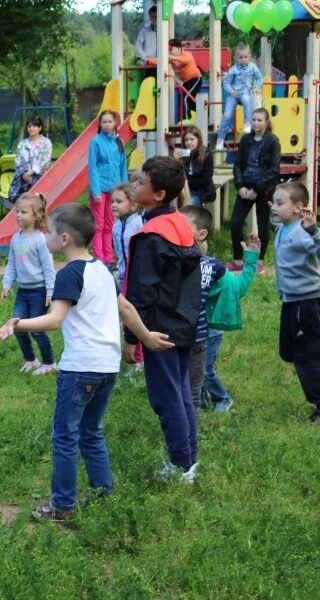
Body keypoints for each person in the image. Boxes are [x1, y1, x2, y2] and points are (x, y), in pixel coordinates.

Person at [0, 204, 174, 521]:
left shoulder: (68, 274)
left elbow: (54, 320)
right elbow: (127, 310)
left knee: (65, 436)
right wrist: (145, 338)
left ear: (64, 239)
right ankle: (104, 496)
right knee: (92, 431)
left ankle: (62, 506)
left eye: (49, 232)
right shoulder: (102, 268)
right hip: (107, 367)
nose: (46, 236)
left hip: (80, 368)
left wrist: (17, 323)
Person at [124, 156, 203, 482]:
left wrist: (132, 338)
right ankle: (190, 458)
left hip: (159, 330)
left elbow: (142, 292)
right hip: (185, 324)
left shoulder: (151, 236)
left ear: (158, 194)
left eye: (140, 182)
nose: (133, 184)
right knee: (181, 390)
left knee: (166, 395)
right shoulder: (181, 224)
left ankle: (181, 465)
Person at [271, 181, 320, 422]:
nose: (274, 207)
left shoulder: (302, 232)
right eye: (274, 202)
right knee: (288, 351)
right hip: (291, 301)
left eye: (280, 203)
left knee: (306, 355)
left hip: (307, 303)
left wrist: (314, 231)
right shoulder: (284, 228)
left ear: (298, 207)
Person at [203, 230, 261, 412]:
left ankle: (223, 398)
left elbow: (240, 286)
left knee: (205, 369)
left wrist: (251, 257)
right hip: (190, 330)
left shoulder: (216, 272)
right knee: (192, 368)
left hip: (211, 331)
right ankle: (200, 399)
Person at [2, 192, 56, 375]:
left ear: (36, 215)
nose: (18, 215)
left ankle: (49, 362)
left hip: (39, 292)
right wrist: (7, 284)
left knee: (38, 330)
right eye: (17, 211)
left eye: (23, 212)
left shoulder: (40, 240)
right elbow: (11, 264)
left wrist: (50, 292)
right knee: (17, 327)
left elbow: (49, 268)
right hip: (22, 292)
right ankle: (31, 360)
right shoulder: (16, 238)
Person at [178, 205, 226, 411]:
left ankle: (222, 399)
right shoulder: (171, 259)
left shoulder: (213, 266)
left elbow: (232, 290)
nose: (175, 228)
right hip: (178, 335)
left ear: (201, 234)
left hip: (202, 333)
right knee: (186, 382)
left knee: (200, 377)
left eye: (182, 224)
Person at [229, 108, 281, 272]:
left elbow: (274, 169)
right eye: (254, 120)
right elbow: (238, 165)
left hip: (263, 189)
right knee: (235, 223)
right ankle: (238, 260)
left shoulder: (272, 141)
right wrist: (240, 186)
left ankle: (259, 261)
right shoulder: (246, 139)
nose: (256, 123)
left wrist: (257, 189)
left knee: (262, 224)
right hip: (245, 187)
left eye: (259, 120)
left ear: (266, 122)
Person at [88, 110, 128, 264]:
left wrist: (124, 190)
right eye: (103, 122)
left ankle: (109, 258)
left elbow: (123, 167)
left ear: (115, 123)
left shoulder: (119, 142)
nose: (106, 125)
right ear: (100, 124)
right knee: (98, 225)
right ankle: (99, 258)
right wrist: (96, 191)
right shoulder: (95, 142)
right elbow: (92, 167)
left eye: (109, 122)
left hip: (115, 190)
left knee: (110, 225)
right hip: (100, 190)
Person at [216, 44, 263, 149]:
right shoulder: (233, 69)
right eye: (240, 57)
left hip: (246, 92)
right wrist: (231, 91)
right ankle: (220, 139)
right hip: (234, 94)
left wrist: (257, 86)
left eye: (245, 57)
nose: (243, 60)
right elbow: (226, 83)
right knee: (227, 115)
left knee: (247, 101)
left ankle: (247, 123)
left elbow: (260, 78)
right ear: (236, 58)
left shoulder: (252, 67)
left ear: (249, 57)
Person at [148, 40, 201, 121]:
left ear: (179, 48)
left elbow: (187, 60)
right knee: (188, 100)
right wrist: (149, 60)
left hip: (195, 79)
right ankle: (203, 113)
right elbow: (159, 61)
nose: (170, 51)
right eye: (169, 50)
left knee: (185, 98)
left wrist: (174, 58)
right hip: (186, 81)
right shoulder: (171, 59)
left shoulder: (187, 54)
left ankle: (186, 120)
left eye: (171, 49)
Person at [10, 117, 53, 202]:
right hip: (24, 178)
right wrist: (24, 174)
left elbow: (45, 161)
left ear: (40, 128)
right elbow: (17, 162)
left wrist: (31, 173)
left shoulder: (46, 143)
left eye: (34, 126)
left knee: (38, 202)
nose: (31, 128)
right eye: (29, 126)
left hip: (40, 177)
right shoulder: (22, 144)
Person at [111, 182, 143, 284]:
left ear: (133, 205)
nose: (114, 205)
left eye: (119, 202)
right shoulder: (116, 226)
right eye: (112, 201)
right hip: (122, 275)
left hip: (137, 276)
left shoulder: (139, 224)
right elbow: (117, 250)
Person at [179, 126, 215, 206]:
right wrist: (176, 160)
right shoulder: (183, 154)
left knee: (190, 204)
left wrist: (186, 183)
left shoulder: (207, 155)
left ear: (198, 140)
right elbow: (177, 174)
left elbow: (206, 180)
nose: (188, 142)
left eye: (192, 139)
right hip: (184, 189)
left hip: (202, 191)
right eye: (186, 140)